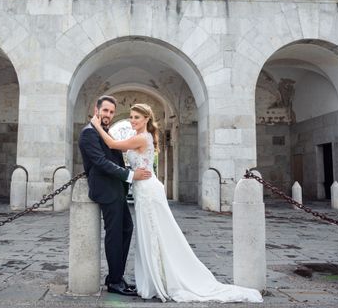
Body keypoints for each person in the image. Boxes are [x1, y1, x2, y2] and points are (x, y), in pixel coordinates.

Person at [91, 103, 263, 303]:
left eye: (137, 117)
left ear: (146, 119)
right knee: (150, 235)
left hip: (148, 191)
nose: (132, 120)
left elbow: (112, 145)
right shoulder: (141, 137)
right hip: (143, 190)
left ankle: (160, 280)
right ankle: (152, 279)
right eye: (131, 117)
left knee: (155, 234)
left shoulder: (141, 138)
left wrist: (96, 125)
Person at [78, 95, 152, 296]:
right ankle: (114, 282)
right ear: (97, 109)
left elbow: (114, 156)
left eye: (111, 112)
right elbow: (101, 162)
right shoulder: (88, 134)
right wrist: (130, 174)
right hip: (105, 190)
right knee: (115, 234)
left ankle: (116, 277)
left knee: (126, 229)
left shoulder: (101, 132)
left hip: (116, 189)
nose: (108, 115)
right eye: (106, 111)